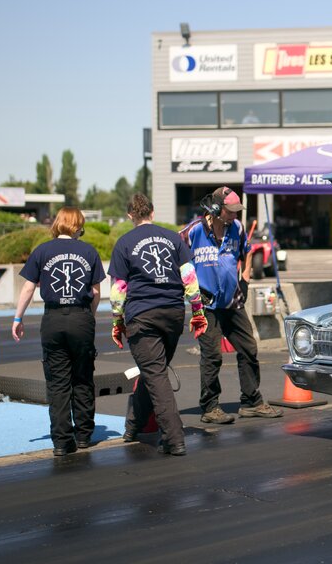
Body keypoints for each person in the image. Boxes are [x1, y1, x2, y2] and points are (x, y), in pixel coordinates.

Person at [109, 194, 207, 457]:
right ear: (152, 211)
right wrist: (198, 312)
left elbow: (118, 290)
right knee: (154, 370)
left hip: (143, 315)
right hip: (173, 313)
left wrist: (118, 321)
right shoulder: (173, 238)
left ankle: (174, 439)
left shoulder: (124, 243)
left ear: (130, 215)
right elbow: (189, 277)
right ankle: (133, 427)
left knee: (155, 374)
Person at [180, 187, 282, 424]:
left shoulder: (236, 228)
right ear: (216, 209)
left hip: (233, 301)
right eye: (231, 211)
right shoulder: (193, 231)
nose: (234, 216)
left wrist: (245, 278)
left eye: (237, 211)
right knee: (212, 355)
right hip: (206, 305)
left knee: (249, 348)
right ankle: (209, 407)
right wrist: (188, 288)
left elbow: (246, 252)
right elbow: (175, 253)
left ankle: (251, 402)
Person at [12, 207, 105, 457]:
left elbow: (28, 288)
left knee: (58, 381)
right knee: (83, 377)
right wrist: (89, 317)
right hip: (80, 317)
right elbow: (96, 292)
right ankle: (84, 434)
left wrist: (18, 317)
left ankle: (62, 441)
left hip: (52, 318)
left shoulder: (42, 250)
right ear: (78, 226)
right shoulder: (88, 251)